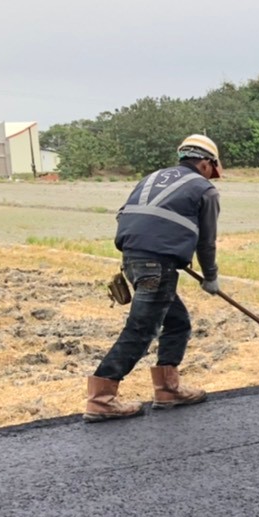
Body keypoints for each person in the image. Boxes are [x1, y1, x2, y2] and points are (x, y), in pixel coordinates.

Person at [83, 134, 223, 422]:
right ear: (207, 163)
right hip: (156, 266)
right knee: (141, 329)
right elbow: (207, 241)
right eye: (214, 167)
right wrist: (210, 276)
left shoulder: (153, 177)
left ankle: (168, 389)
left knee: (176, 321)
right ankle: (101, 399)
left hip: (133, 260)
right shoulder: (204, 189)